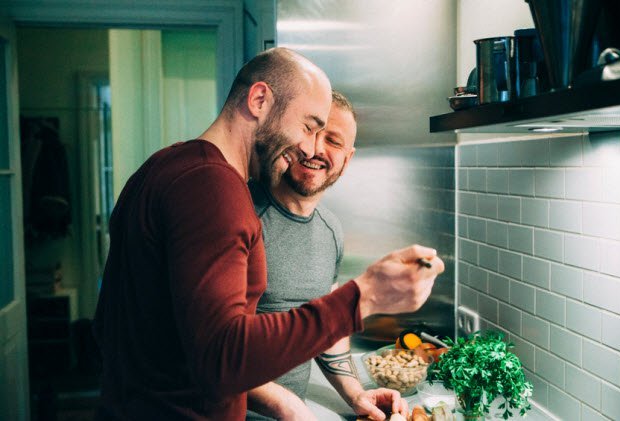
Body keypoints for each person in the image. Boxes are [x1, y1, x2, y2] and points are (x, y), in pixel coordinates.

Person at [93, 47, 444, 420]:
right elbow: (222, 360)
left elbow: (110, 325)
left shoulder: (167, 165)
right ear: (259, 99)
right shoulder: (213, 190)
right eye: (308, 127)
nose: (308, 147)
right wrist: (365, 296)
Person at [247, 90, 407, 421]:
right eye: (310, 133)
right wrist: (286, 406)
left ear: (347, 159)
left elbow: (326, 330)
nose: (316, 149)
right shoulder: (242, 215)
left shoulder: (330, 231)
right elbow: (209, 345)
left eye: (333, 140)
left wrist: (357, 395)